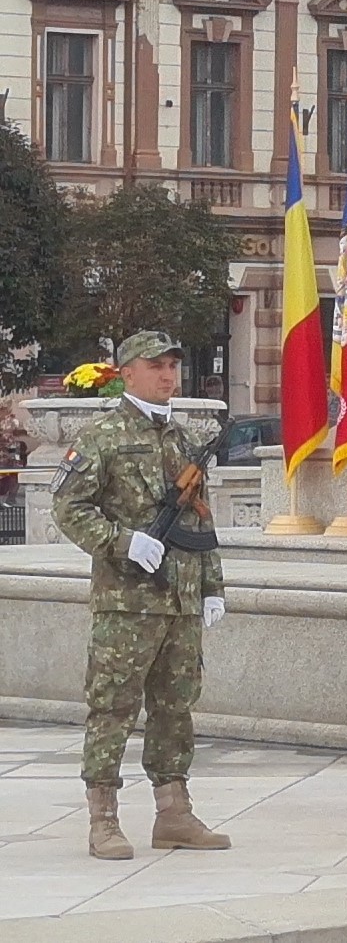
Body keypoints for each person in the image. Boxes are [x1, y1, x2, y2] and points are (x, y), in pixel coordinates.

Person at [51, 330, 230, 859]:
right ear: (127, 372)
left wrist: (212, 585)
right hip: (127, 602)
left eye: (173, 365)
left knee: (176, 707)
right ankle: (103, 818)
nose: (168, 375)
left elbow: (200, 517)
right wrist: (122, 542)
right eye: (156, 366)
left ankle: (174, 812)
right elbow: (70, 509)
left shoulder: (180, 438)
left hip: (179, 599)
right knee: (112, 708)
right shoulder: (101, 435)